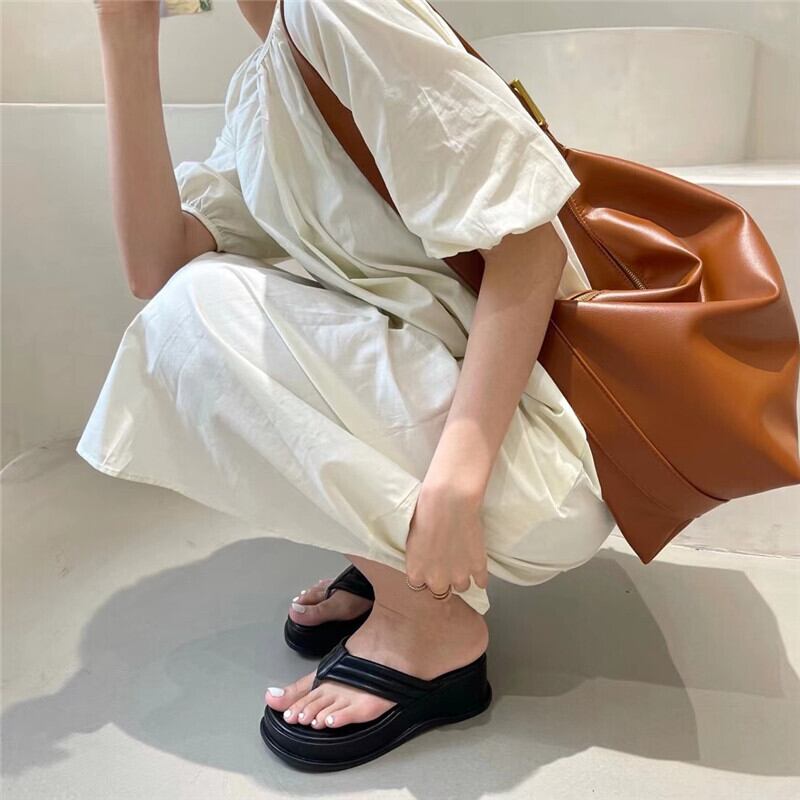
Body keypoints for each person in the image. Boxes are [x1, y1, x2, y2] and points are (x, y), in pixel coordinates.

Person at [83, 0, 616, 771]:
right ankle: (393, 569)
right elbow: (156, 262)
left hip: (543, 461)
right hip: (496, 432)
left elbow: (531, 248)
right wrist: (124, 29)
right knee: (187, 300)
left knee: (194, 314)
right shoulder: (268, 80)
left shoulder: (335, 9)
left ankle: (427, 626)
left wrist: (455, 486)